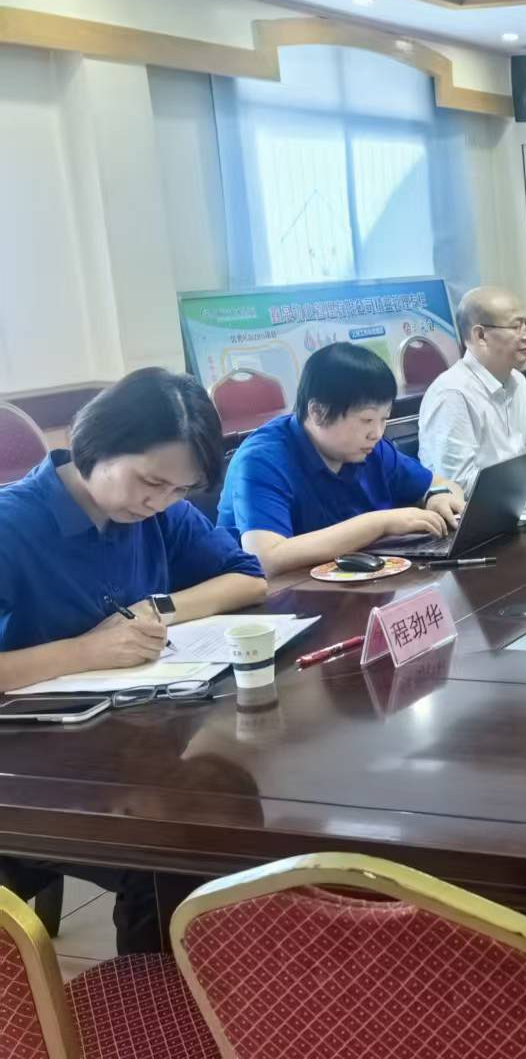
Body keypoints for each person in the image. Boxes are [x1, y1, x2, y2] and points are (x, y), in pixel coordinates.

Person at [0, 367, 267, 952]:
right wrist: (85, 651)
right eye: (150, 481)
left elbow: (248, 578)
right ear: (96, 442)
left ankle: (224, 986)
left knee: (228, 820)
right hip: (27, 770)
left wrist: (159, 607)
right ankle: (152, 1002)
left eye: (179, 490)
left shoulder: (158, 512)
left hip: (123, 745)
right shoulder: (12, 525)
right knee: (172, 855)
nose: (159, 501)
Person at [219, 343, 466, 575]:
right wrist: (380, 524)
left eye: (384, 419)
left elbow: (439, 483)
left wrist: (437, 496)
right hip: (279, 597)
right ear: (317, 412)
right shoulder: (261, 460)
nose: (377, 433)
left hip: (357, 583)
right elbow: (266, 557)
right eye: (367, 420)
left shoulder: (371, 448)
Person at [418, 287, 526, 492]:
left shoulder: (518, 381)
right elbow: (455, 486)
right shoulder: (452, 394)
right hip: (472, 510)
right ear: (481, 335)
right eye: (517, 326)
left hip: (519, 501)